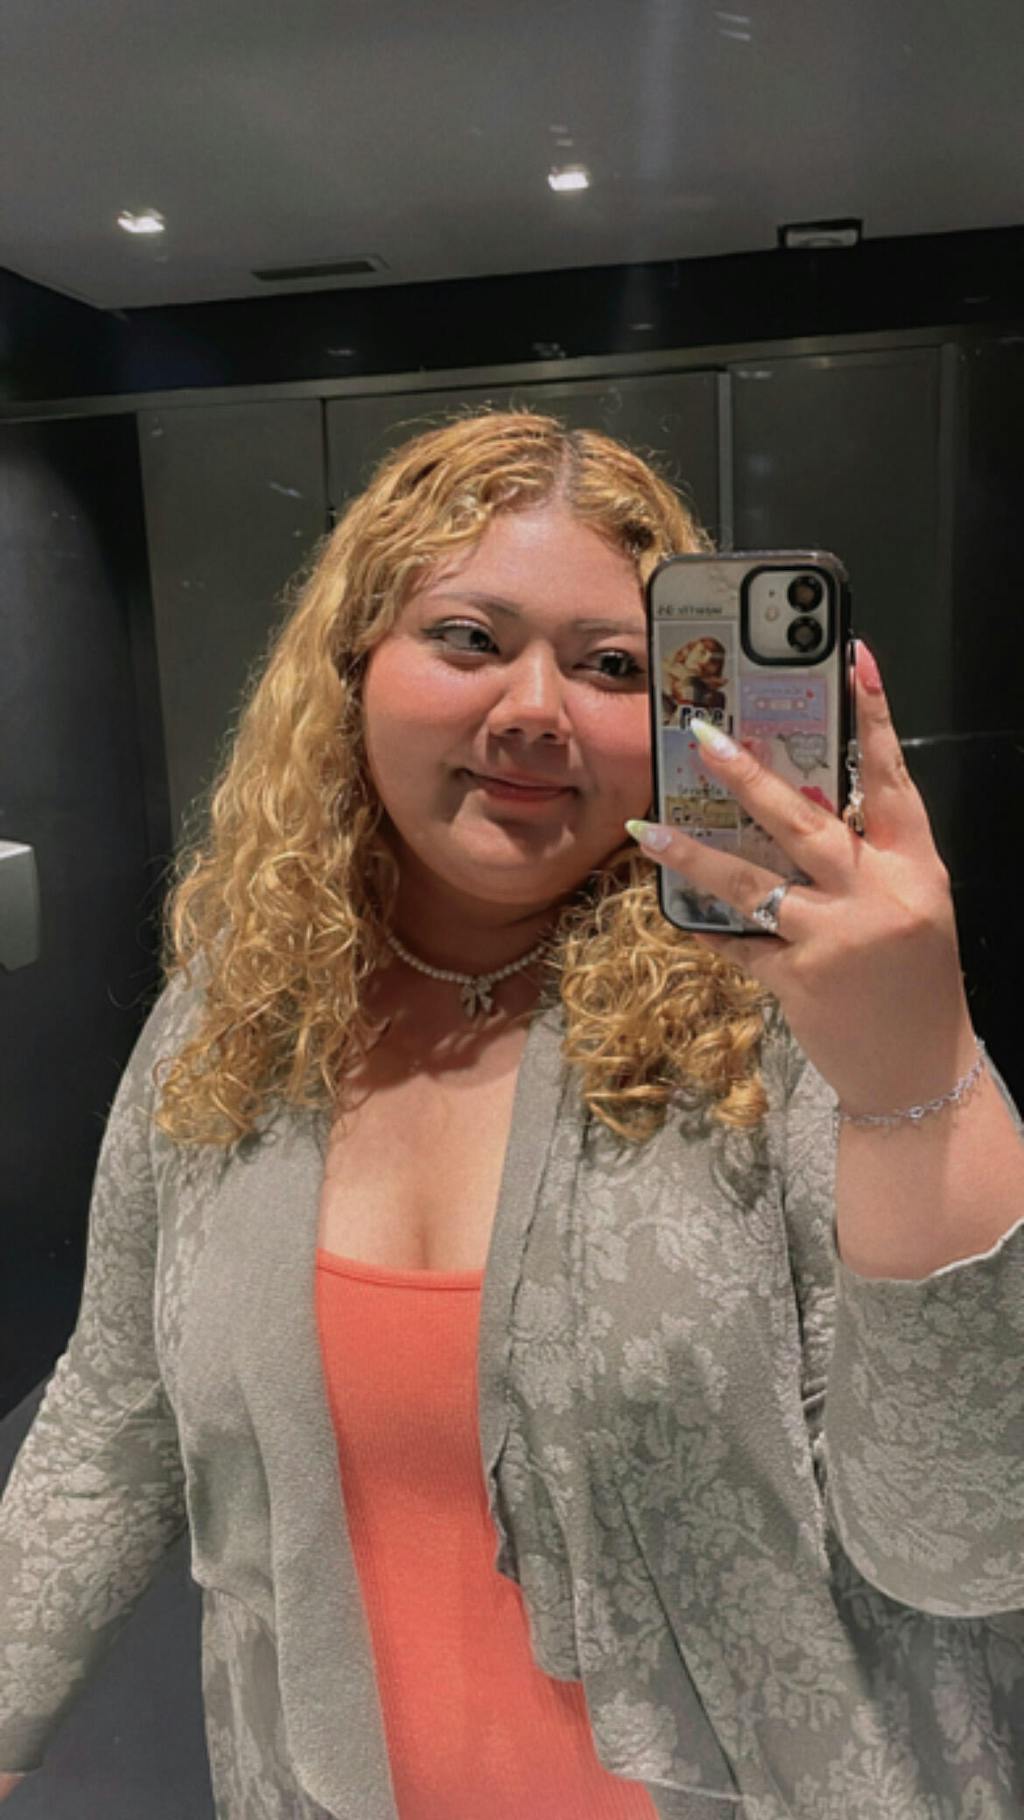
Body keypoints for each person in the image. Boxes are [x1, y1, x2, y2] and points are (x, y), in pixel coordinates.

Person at [1, 409, 1022, 1819]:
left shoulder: (786, 1026)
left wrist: (916, 1072)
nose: (536, 707)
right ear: (353, 666)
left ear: (682, 710)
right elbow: (116, 1410)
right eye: (470, 638)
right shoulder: (236, 1021)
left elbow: (971, 1544)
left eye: (611, 665)